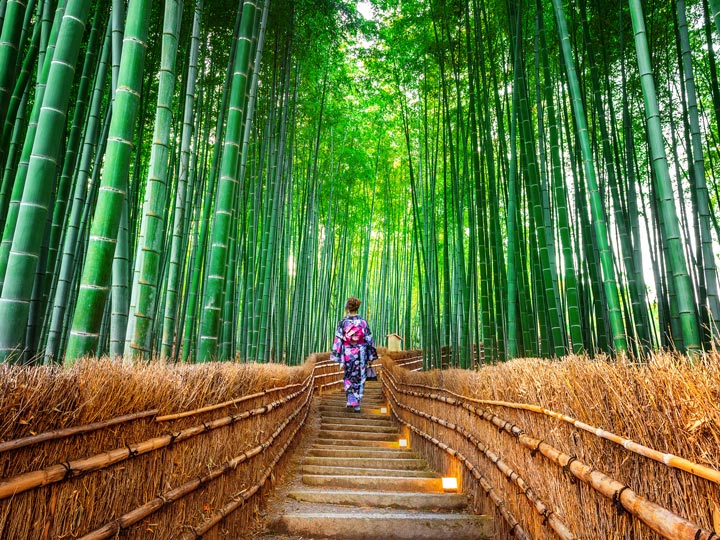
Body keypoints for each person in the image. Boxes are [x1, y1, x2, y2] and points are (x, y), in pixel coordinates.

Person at [330, 296, 378, 412]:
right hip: (361, 353)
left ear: (347, 307)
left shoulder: (343, 322)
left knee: (348, 376)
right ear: (358, 307)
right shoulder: (363, 322)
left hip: (347, 353)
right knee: (360, 377)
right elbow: (369, 339)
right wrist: (371, 356)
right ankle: (357, 404)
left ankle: (350, 400)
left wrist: (337, 355)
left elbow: (338, 340)